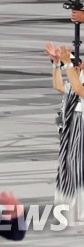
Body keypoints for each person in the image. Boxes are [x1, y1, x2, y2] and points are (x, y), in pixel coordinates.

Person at [49, 43, 84, 234]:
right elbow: (59, 86)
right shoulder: (76, 79)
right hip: (72, 128)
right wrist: (56, 65)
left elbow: (80, 90)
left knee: (78, 168)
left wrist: (68, 65)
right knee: (70, 167)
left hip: (81, 128)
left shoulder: (79, 81)